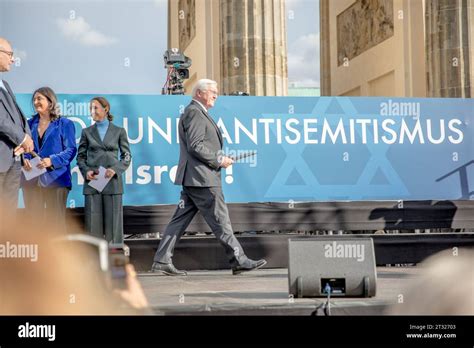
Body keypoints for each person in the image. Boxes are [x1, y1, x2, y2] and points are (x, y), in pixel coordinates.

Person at [151, 79, 266, 276]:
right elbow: (195, 146)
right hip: (203, 180)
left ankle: (162, 260)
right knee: (221, 221)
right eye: (212, 91)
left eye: (216, 91)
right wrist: (219, 159)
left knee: (179, 221)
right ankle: (239, 260)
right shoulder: (195, 112)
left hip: (194, 179)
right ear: (199, 93)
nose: (216, 95)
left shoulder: (196, 112)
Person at [76, 97, 131, 244]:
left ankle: (115, 261)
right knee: (93, 227)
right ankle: (94, 262)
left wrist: (115, 169)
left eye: (95, 108)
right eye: (91, 108)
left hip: (113, 183)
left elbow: (126, 156)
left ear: (105, 109)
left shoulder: (119, 131)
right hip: (93, 182)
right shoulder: (86, 132)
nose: (92, 111)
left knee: (114, 228)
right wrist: (86, 171)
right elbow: (80, 157)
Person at [21, 87, 77, 230]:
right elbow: (24, 148)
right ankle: (36, 252)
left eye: (39, 98)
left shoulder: (65, 124)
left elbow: (71, 150)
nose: (35, 102)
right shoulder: (28, 124)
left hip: (56, 179)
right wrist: (24, 160)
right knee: (33, 224)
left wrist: (52, 160)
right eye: (34, 99)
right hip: (32, 180)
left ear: (50, 101)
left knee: (56, 225)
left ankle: (58, 252)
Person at [0, 37, 33, 224]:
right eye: (10, 54)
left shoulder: (6, 85)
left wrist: (25, 137)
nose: (13, 59)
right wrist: (21, 138)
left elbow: (17, 116)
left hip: (13, 159)